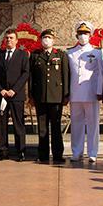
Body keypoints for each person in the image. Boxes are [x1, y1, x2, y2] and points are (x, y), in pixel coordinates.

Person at [67, 21, 103, 163]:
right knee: (76, 124)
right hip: (75, 93)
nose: (83, 36)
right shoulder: (70, 52)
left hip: (91, 92)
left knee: (93, 123)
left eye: (86, 33)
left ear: (90, 35)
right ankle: (76, 152)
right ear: (76, 35)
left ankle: (93, 152)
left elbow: (101, 72)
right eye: (81, 33)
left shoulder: (96, 52)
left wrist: (100, 91)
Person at [29, 29, 69, 163]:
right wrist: (31, 96)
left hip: (56, 97)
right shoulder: (35, 55)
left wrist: (66, 95)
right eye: (45, 37)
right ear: (41, 40)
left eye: (49, 37)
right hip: (41, 97)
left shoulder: (61, 55)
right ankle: (43, 155)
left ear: (53, 40)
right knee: (42, 128)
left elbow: (65, 75)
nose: (47, 40)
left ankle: (58, 155)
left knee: (56, 127)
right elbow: (31, 77)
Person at [0, 29, 30, 162]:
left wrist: (15, 89)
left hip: (16, 96)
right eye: (7, 38)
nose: (8, 40)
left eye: (11, 38)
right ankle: (3, 151)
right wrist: (0, 89)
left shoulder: (23, 55)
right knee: (2, 124)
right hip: (1, 95)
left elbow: (25, 73)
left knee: (18, 124)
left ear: (16, 40)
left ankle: (21, 151)